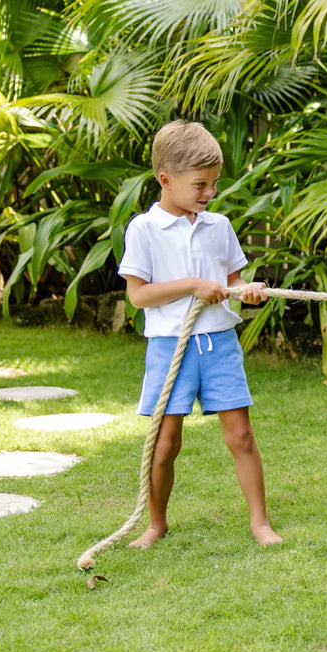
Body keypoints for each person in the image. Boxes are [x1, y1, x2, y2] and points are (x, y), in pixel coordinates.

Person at [117, 119, 283, 549]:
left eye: (213, 184)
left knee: (241, 435)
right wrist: (192, 285)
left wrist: (251, 292)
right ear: (166, 180)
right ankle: (155, 524)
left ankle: (260, 523)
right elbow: (138, 296)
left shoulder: (218, 225)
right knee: (165, 442)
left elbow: (233, 286)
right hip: (169, 346)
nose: (209, 194)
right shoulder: (144, 230)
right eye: (200, 185)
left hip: (219, 342)